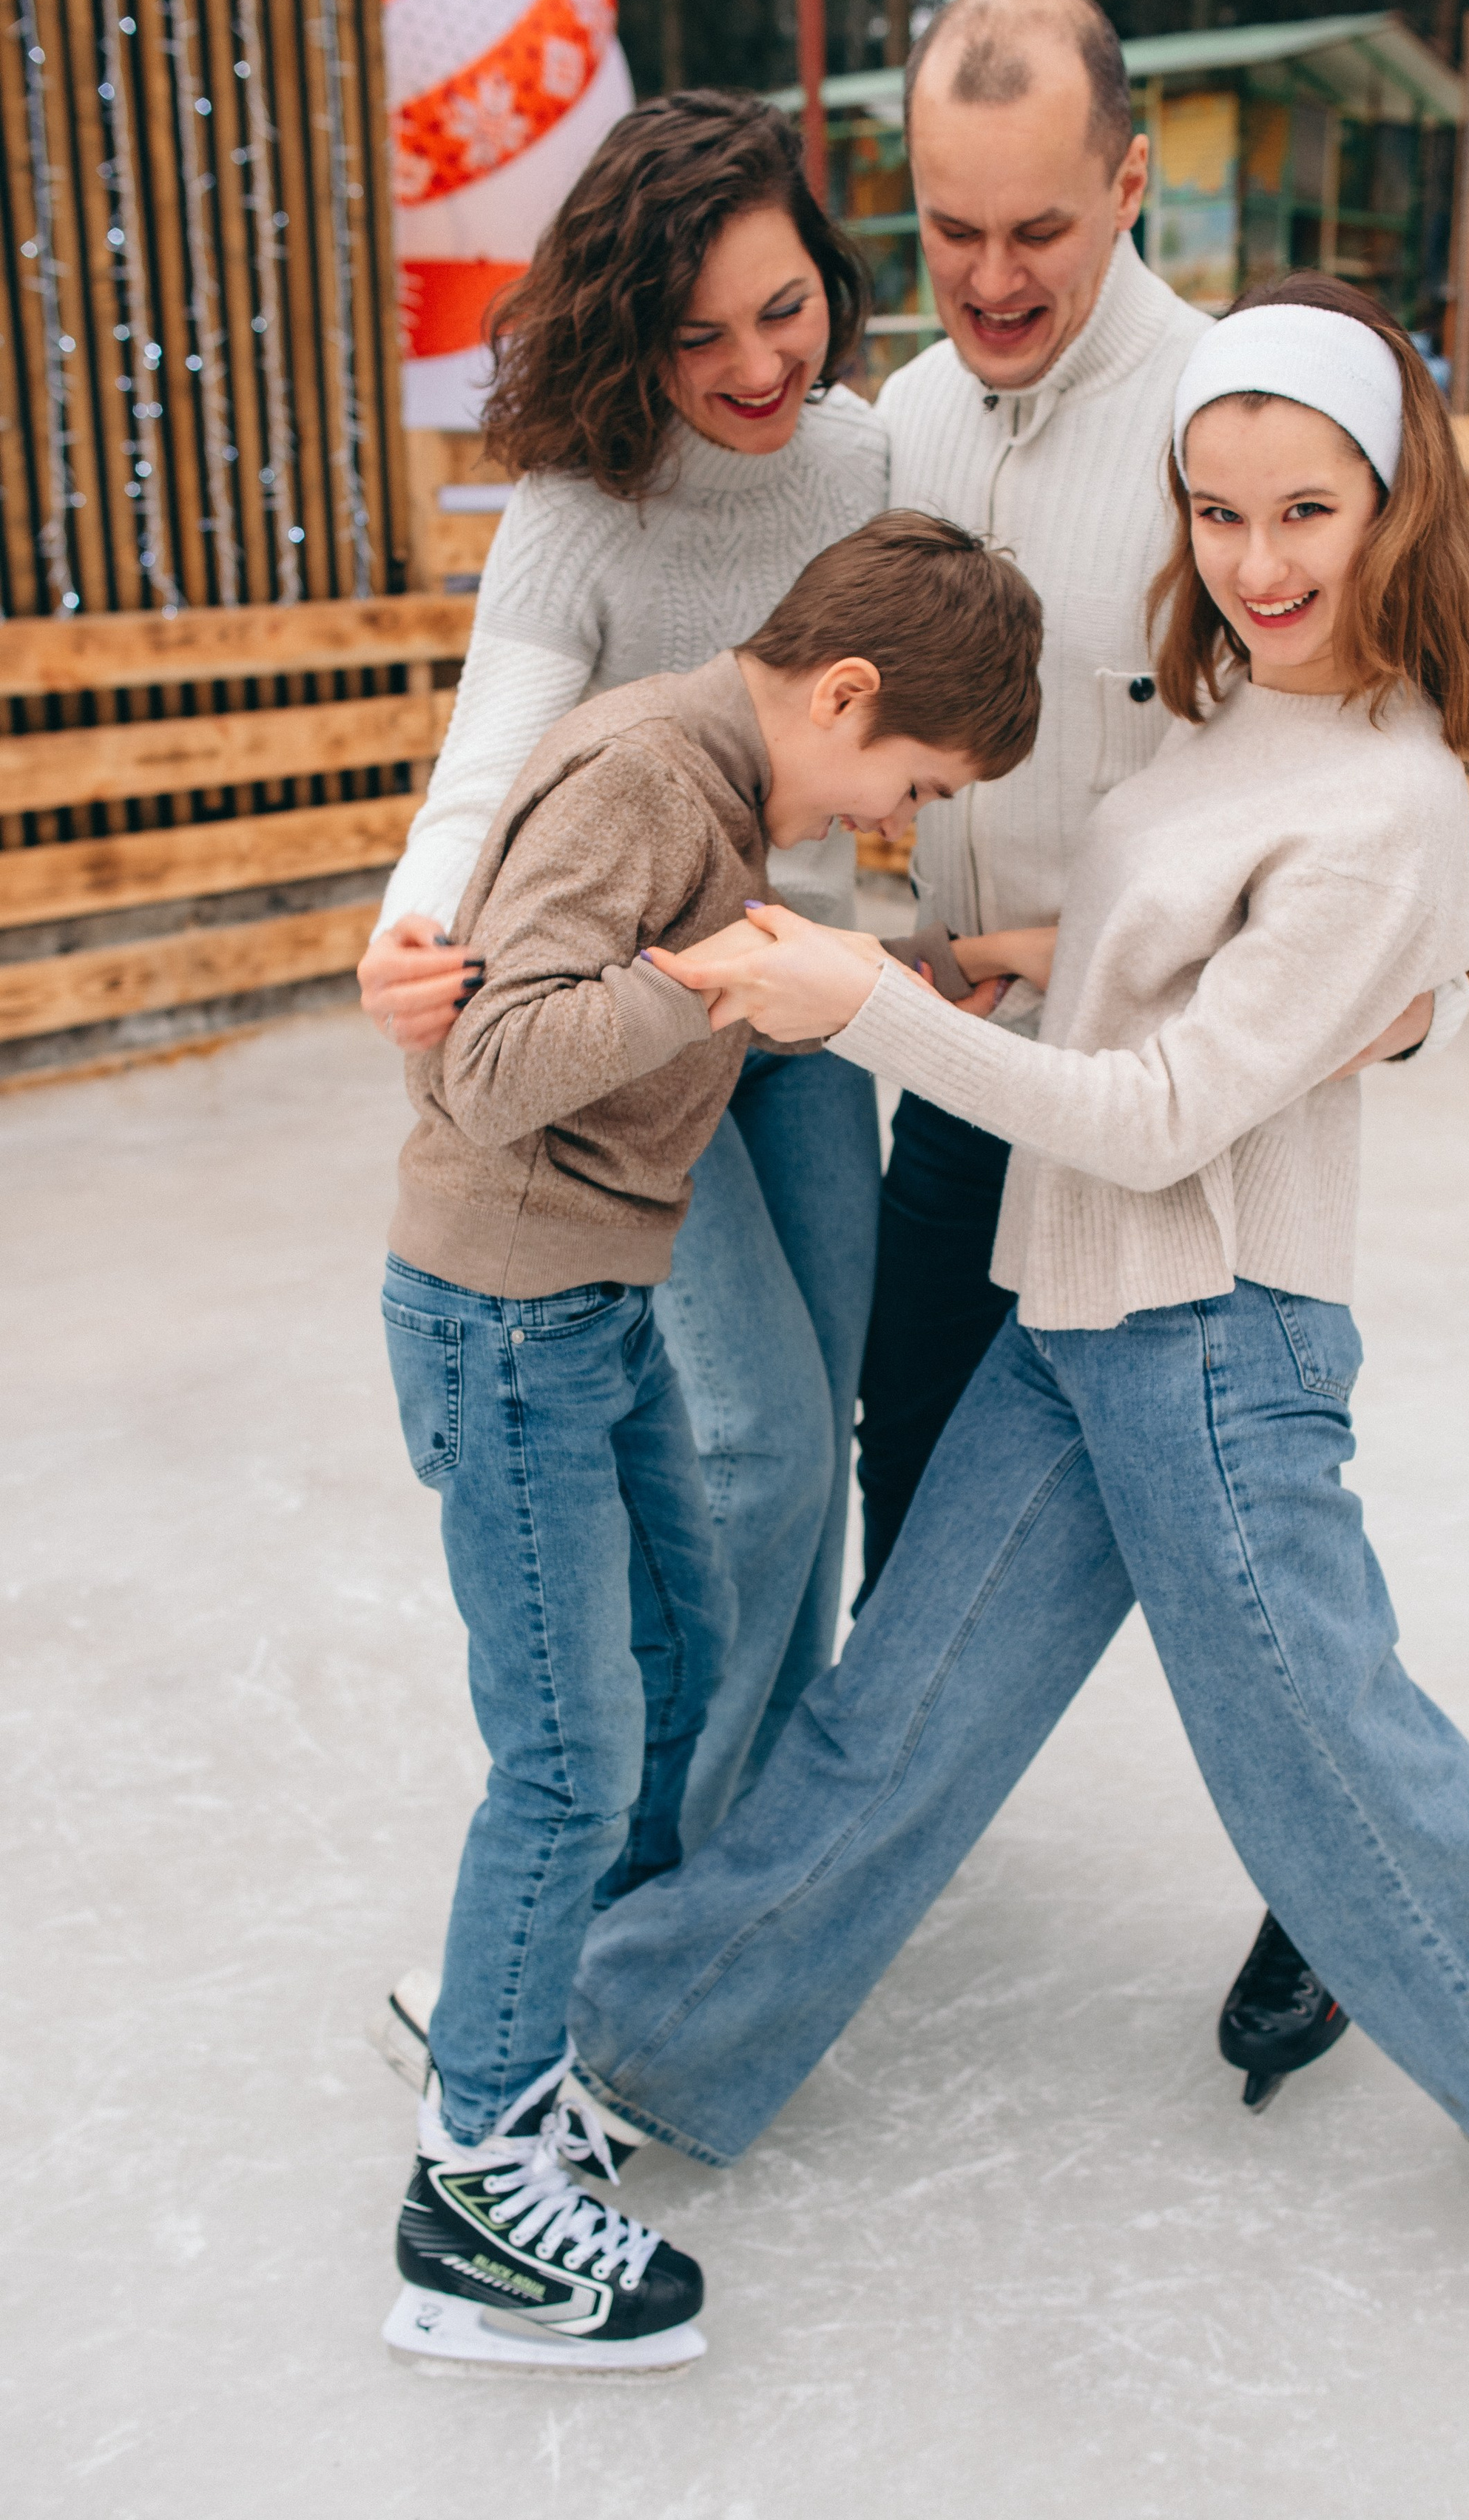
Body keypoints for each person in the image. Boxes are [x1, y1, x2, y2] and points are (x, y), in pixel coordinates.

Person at [565, 283, 1469, 2219]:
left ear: (1390, 501)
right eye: (1219, 509)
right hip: (1076, 1311)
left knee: (1332, 1766)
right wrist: (1049, 955)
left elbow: (1167, 1107)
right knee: (896, 1725)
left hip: (1211, 1346)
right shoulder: (1222, 713)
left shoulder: (1384, 792)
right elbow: (1175, 948)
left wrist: (865, 996)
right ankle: (630, 2052)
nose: (1258, 557)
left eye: (1305, 509)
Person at [863, 0, 1459, 2101]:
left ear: (1128, 178)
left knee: (1253, 1547)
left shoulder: (1241, 432)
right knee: (909, 1463)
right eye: (950, 228)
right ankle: (861, 1858)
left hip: (1199, 1117)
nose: (997, 278)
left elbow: (1392, 771)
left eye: (1040, 226)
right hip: (960, 1076)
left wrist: (1395, 1000)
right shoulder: (897, 428)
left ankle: (1336, 1892)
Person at [379, 513, 1044, 2370]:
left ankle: (552, 2035)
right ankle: (470, 2187)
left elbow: (710, 971)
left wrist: (899, 965)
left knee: (672, 1662)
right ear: (839, 693)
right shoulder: (637, 775)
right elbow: (494, 1061)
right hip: (506, 1318)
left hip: (583, 1310)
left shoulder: (723, 790)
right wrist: (699, 975)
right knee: (568, 1760)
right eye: (903, 780)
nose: (879, 818)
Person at [359, 93, 893, 1844]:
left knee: (819, 1439)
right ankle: (658, 1850)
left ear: (824, 272)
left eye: (784, 307)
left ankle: (763, 1822)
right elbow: (485, 763)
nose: (755, 363)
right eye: (699, 334)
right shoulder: (582, 509)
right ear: (626, 328)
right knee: (751, 1443)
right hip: (637, 1033)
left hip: (804, 1015)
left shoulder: (866, 463)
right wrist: (414, 933)